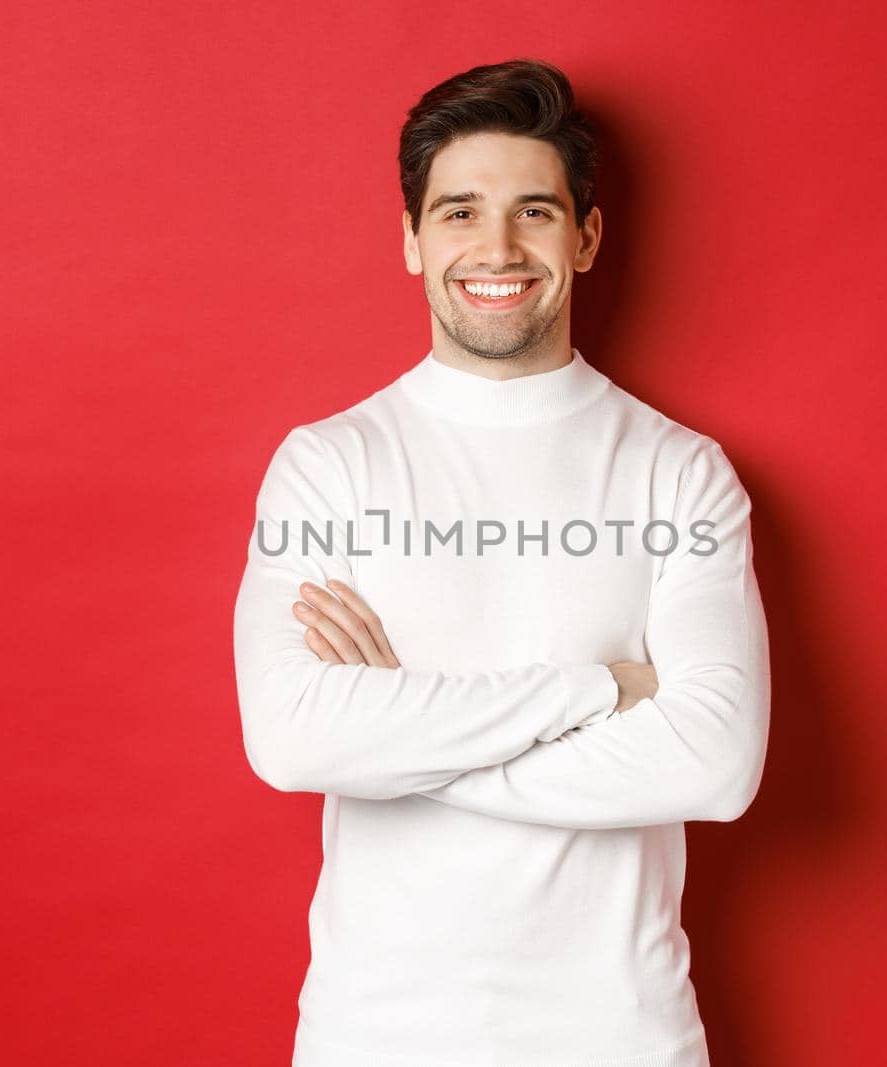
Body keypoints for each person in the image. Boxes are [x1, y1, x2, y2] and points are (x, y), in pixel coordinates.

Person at [233, 56, 771, 1067]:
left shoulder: (678, 472)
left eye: (533, 210)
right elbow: (293, 738)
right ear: (409, 238)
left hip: (624, 1038)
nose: (495, 246)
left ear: (585, 236)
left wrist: (402, 728)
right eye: (458, 212)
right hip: (373, 1037)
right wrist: (600, 688)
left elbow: (715, 761)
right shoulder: (326, 465)